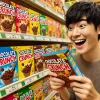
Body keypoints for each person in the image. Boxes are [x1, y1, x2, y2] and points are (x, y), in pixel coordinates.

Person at [49, 1, 100, 100]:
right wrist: (62, 89)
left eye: (82, 26)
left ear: (98, 29)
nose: (74, 34)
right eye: (70, 28)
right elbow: (72, 97)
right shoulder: (71, 61)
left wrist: (96, 98)